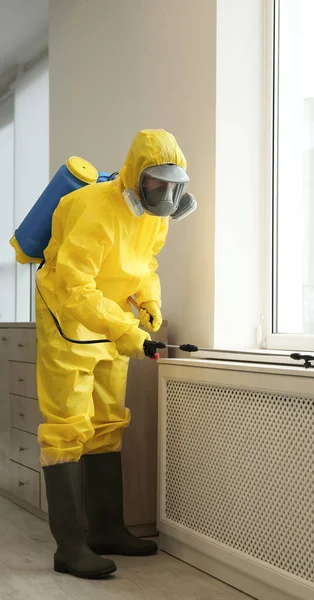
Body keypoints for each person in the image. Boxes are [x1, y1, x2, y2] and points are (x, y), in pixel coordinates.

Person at [35, 129, 196, 579]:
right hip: (67, 321)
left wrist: (148, 304)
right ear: (136, 175)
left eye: (171, 186)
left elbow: (145, 265)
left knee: (107, 423)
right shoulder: (92, 208)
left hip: (111, 324)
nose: (163, 194)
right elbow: (74, 287)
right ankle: (69, 547)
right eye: (155, 183)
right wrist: (127, 331)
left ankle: (107, 530)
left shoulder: (154, 216)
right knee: (67, 427)